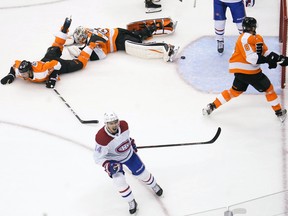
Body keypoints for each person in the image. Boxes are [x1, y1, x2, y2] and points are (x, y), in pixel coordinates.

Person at [202, 17, 287, 123]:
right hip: (251, 72)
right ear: (253, 27)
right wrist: (269, 61)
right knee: (269, 89)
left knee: (233, 92)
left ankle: (212, 106)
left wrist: (281, 59)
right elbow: (252, 58)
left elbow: (267, 53)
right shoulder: (244, 39)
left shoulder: (256, 38)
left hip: (240, 73)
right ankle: (279, 112)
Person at [93, 112, 163, 214]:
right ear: (106, 124)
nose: (114, 125)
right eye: (110, 123)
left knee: (143, 174)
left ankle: (154, 185)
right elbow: (97, 158)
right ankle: (131, 201)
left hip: (128, 154)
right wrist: (108, 165)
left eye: (115, 122)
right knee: (119, 181)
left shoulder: (124, 125)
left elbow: (125, 138)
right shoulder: (101, 138)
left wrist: (131, 142)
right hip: (114, 161)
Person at [0, 17, 99, 88]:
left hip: (54, 63)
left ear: (30, 70)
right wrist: (11, 75)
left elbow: (56, 65)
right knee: (56, 46)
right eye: (22, 73)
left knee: (81, 63)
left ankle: (91, 44)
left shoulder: (41, 72)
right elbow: (14, 66)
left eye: (25, 73)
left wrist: (52, 78)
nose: (23, 76)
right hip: (46, 59)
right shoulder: (22, 71)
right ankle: (64, 30)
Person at [64, 18, 178, 63]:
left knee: (134, 47)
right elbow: (74, 37)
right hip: (119, 31)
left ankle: (164, 48)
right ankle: (151, 29)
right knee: (136, 36)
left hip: (118, 41)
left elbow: (101, 54)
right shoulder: (90, 30)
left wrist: (82, 52)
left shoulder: (90, 39)